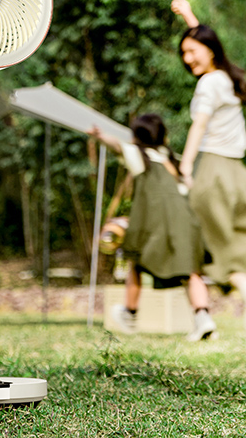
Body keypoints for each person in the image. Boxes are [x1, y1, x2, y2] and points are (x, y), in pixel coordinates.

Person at [171, 0, 246, 340]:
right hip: (218, 168)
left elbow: (198, 125)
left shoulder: (214, 80)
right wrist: (187, 168)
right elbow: (199, 127)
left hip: (226, 169)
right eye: (184, 54)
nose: (187, 59)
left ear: (209, 49)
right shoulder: (215, 79)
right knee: (218, 241)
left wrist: (186, 166)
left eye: (192, 51)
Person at [90, 113, 216, 341]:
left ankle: (129, 313)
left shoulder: (139, 156)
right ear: (162, 136)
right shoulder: (171, 160)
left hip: (157, 223)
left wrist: (100, 136)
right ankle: (203, 317)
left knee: (138, 262)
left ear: (137, 135)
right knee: (191, 270)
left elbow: (117, 146)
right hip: (187, 221)